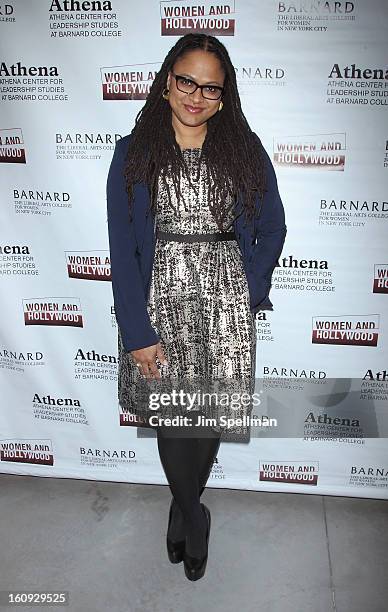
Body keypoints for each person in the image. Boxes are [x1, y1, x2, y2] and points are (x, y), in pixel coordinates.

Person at [106, 33, 286, 581]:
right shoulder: (134, 152)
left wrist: (247, 291)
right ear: (167, 82)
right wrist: (135, 329)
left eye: (211, 87)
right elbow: (121, 245)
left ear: (224, 96)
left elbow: (272, 226)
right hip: (159, 302)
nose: (196, 95)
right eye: (187, 81)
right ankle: (193, 513)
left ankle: (185, 509)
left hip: (224, 306)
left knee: (203, 421)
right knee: (172, 419)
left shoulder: (243, 149)